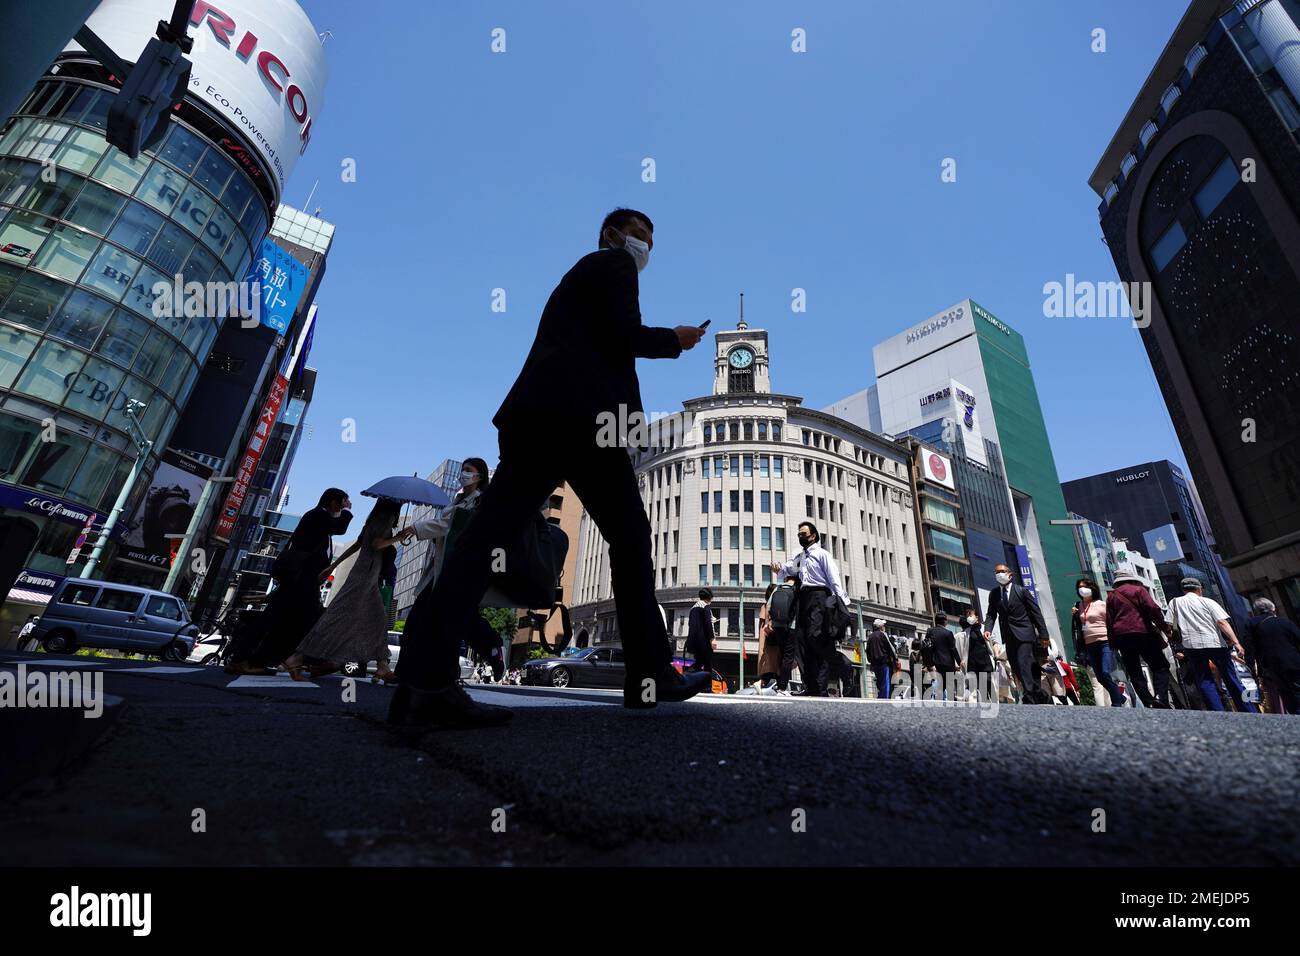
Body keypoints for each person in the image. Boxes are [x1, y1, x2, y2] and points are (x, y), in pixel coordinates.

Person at [393, 208, 711, 729]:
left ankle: (423, 685)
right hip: (584, 422)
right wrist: (674, 339)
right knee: (630, 540)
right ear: (613, 234)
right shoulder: (612, 266)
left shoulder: (581, 276)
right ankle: (650, 676)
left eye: (650, 241)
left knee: (482, 542)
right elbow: (622, 335)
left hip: (545, 419)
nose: (645, 248)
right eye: (640, 236)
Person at [398, 458, 506, 681]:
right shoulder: (457, 499)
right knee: (421, 620)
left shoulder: (479, 502)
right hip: (441, 569)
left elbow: (451, 525)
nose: (464, 474)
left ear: (480, 476)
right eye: (463, 470)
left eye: (469, 470)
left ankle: (492, 648)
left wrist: (416, 527)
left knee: (459, 619)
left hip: (460, 570)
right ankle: (406, 673)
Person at [227, 488, 354, 675]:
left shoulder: (319, 519)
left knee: (284, 621)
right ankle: (249, 660)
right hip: (300, 580)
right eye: (342, 502)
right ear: (333, 502)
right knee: (291, 620)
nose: (343, 506)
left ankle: (258, 659)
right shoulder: (317, 515)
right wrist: (347, 511)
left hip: (302, 580)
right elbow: (340, 527)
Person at [281, 497, 406, 683]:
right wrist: (398, 537)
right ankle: (297, 657)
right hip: (365, 576)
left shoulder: (373, 519)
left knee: (377, 619)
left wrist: (333, 566)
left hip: (365, 575)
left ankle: (382, 666)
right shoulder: (386, 517)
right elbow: (376, 544)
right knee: (337, 617)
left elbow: (358, 544)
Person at [771, 521, 851, 697]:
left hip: (819, 597)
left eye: (804, 534)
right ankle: (813, 687)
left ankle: (843, 665)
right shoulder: (801, 557)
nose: (801, 537)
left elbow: (833, 578)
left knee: (816, 637)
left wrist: (842, 601)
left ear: (813, 536)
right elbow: (788, 569)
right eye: (799, 534)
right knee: (801, 642)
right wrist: (778, 568)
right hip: (803, 599)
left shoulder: (822, 554)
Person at [1167, 578, 1258, 713]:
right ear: (1199, 589)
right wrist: (1236, 642)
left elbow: (1169, 625)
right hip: (1215, 644)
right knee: (1231, 678)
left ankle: (1217, 712)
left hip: (1191, 646)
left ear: (1184, 589)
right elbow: (1222, 623)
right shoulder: (1208, 602)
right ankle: (1248, 710)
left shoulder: (1174, 603)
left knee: (1205, 681)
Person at [983, 563, 1052, 704]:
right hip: (1009, 636)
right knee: (1016, 666)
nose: (999, 574)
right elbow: (991, 614)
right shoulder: (994, 594)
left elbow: (1036, 613)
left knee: (1023, 662)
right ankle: (1040, 694)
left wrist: (1044, 635)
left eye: (1002, 571)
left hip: (1025, 634)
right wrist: (987, 629)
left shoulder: (1021, 591)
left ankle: (1029, 695)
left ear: (1010, 574)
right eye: (996, 572)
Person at [1105, 569, 1173, 709]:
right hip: (1143, 632)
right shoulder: (1139, 590)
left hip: (1122, 636)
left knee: (1134, 670)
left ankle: (1148, 702)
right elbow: (1153, 609)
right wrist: (1165, 628)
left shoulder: (1111, 596)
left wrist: (1112, 642)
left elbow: (1109, 620)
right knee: (1160, 666)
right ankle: (1160, 697)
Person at [1072, 577, 1125, 707]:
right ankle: (1120, 696)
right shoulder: (1078, 605)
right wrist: (1074, 614)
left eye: (1085, 586)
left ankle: (1117, 702)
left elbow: (1111, 622)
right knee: (1100, 677)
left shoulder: (1102, 604)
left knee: (1106, 672)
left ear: (1092, 588)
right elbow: (1078, 626)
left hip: (1105, 641)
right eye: (1079, 587)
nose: (1082, 589)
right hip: (1089, 644)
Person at [1245, 598, 1300, 714]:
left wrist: (1252, 669)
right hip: (1293, 662)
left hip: (1271, 666)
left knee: (1285, 692)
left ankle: (1295, 716)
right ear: (1273, 609)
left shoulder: (1251, 624)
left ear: (1256, 611)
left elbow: (1249, 649)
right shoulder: (1285, 622)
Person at [925, 613, 962, 700]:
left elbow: (927, 647)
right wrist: (960, 662)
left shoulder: (930, 631)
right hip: (948, 663)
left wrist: (928, 663)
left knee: (940, 685)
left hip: (936, 662)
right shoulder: (948, 633)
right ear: (945, 621)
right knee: (948, 687)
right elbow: (953, 649)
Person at [962, 608, 994, 701]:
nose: (969, 617)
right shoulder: (966, 632)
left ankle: (994, 702)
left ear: (976, 617)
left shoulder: (984, 628)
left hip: (985, 660)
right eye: (967, 616)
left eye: (970, 615)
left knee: (988, 682)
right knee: (980, 687)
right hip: (974, 663)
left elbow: (993, 641)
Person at [756, 583, 784, 691]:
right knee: (776, 664)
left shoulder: (764, 605)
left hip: (767, 639)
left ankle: (763, 683)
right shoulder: (771, 606)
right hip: (772, 639)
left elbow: (761, 626)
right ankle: (779, 687)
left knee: (772, 665)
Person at [686, 588, 717, 674]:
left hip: (694, 642)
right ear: (709, 597)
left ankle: (688, 677)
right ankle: (707, 687)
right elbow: (708, 623)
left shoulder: (693, 608)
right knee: (708, 665)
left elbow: (690, 624)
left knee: (698, 664)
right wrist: (712, 639)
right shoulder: (705, 607)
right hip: (704, 642)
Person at [865, 618, 898, 699]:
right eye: (883, 625)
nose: (884, 627)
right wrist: (895, 658)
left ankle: (881, 696)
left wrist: (870, 661)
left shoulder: (870, 637)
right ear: (880, 627)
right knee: (885, 681)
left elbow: (867, 650)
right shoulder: (882, 634)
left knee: (879, 680)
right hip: (884, 661)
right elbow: (889, 647)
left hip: (875, 662)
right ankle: (884, 698)